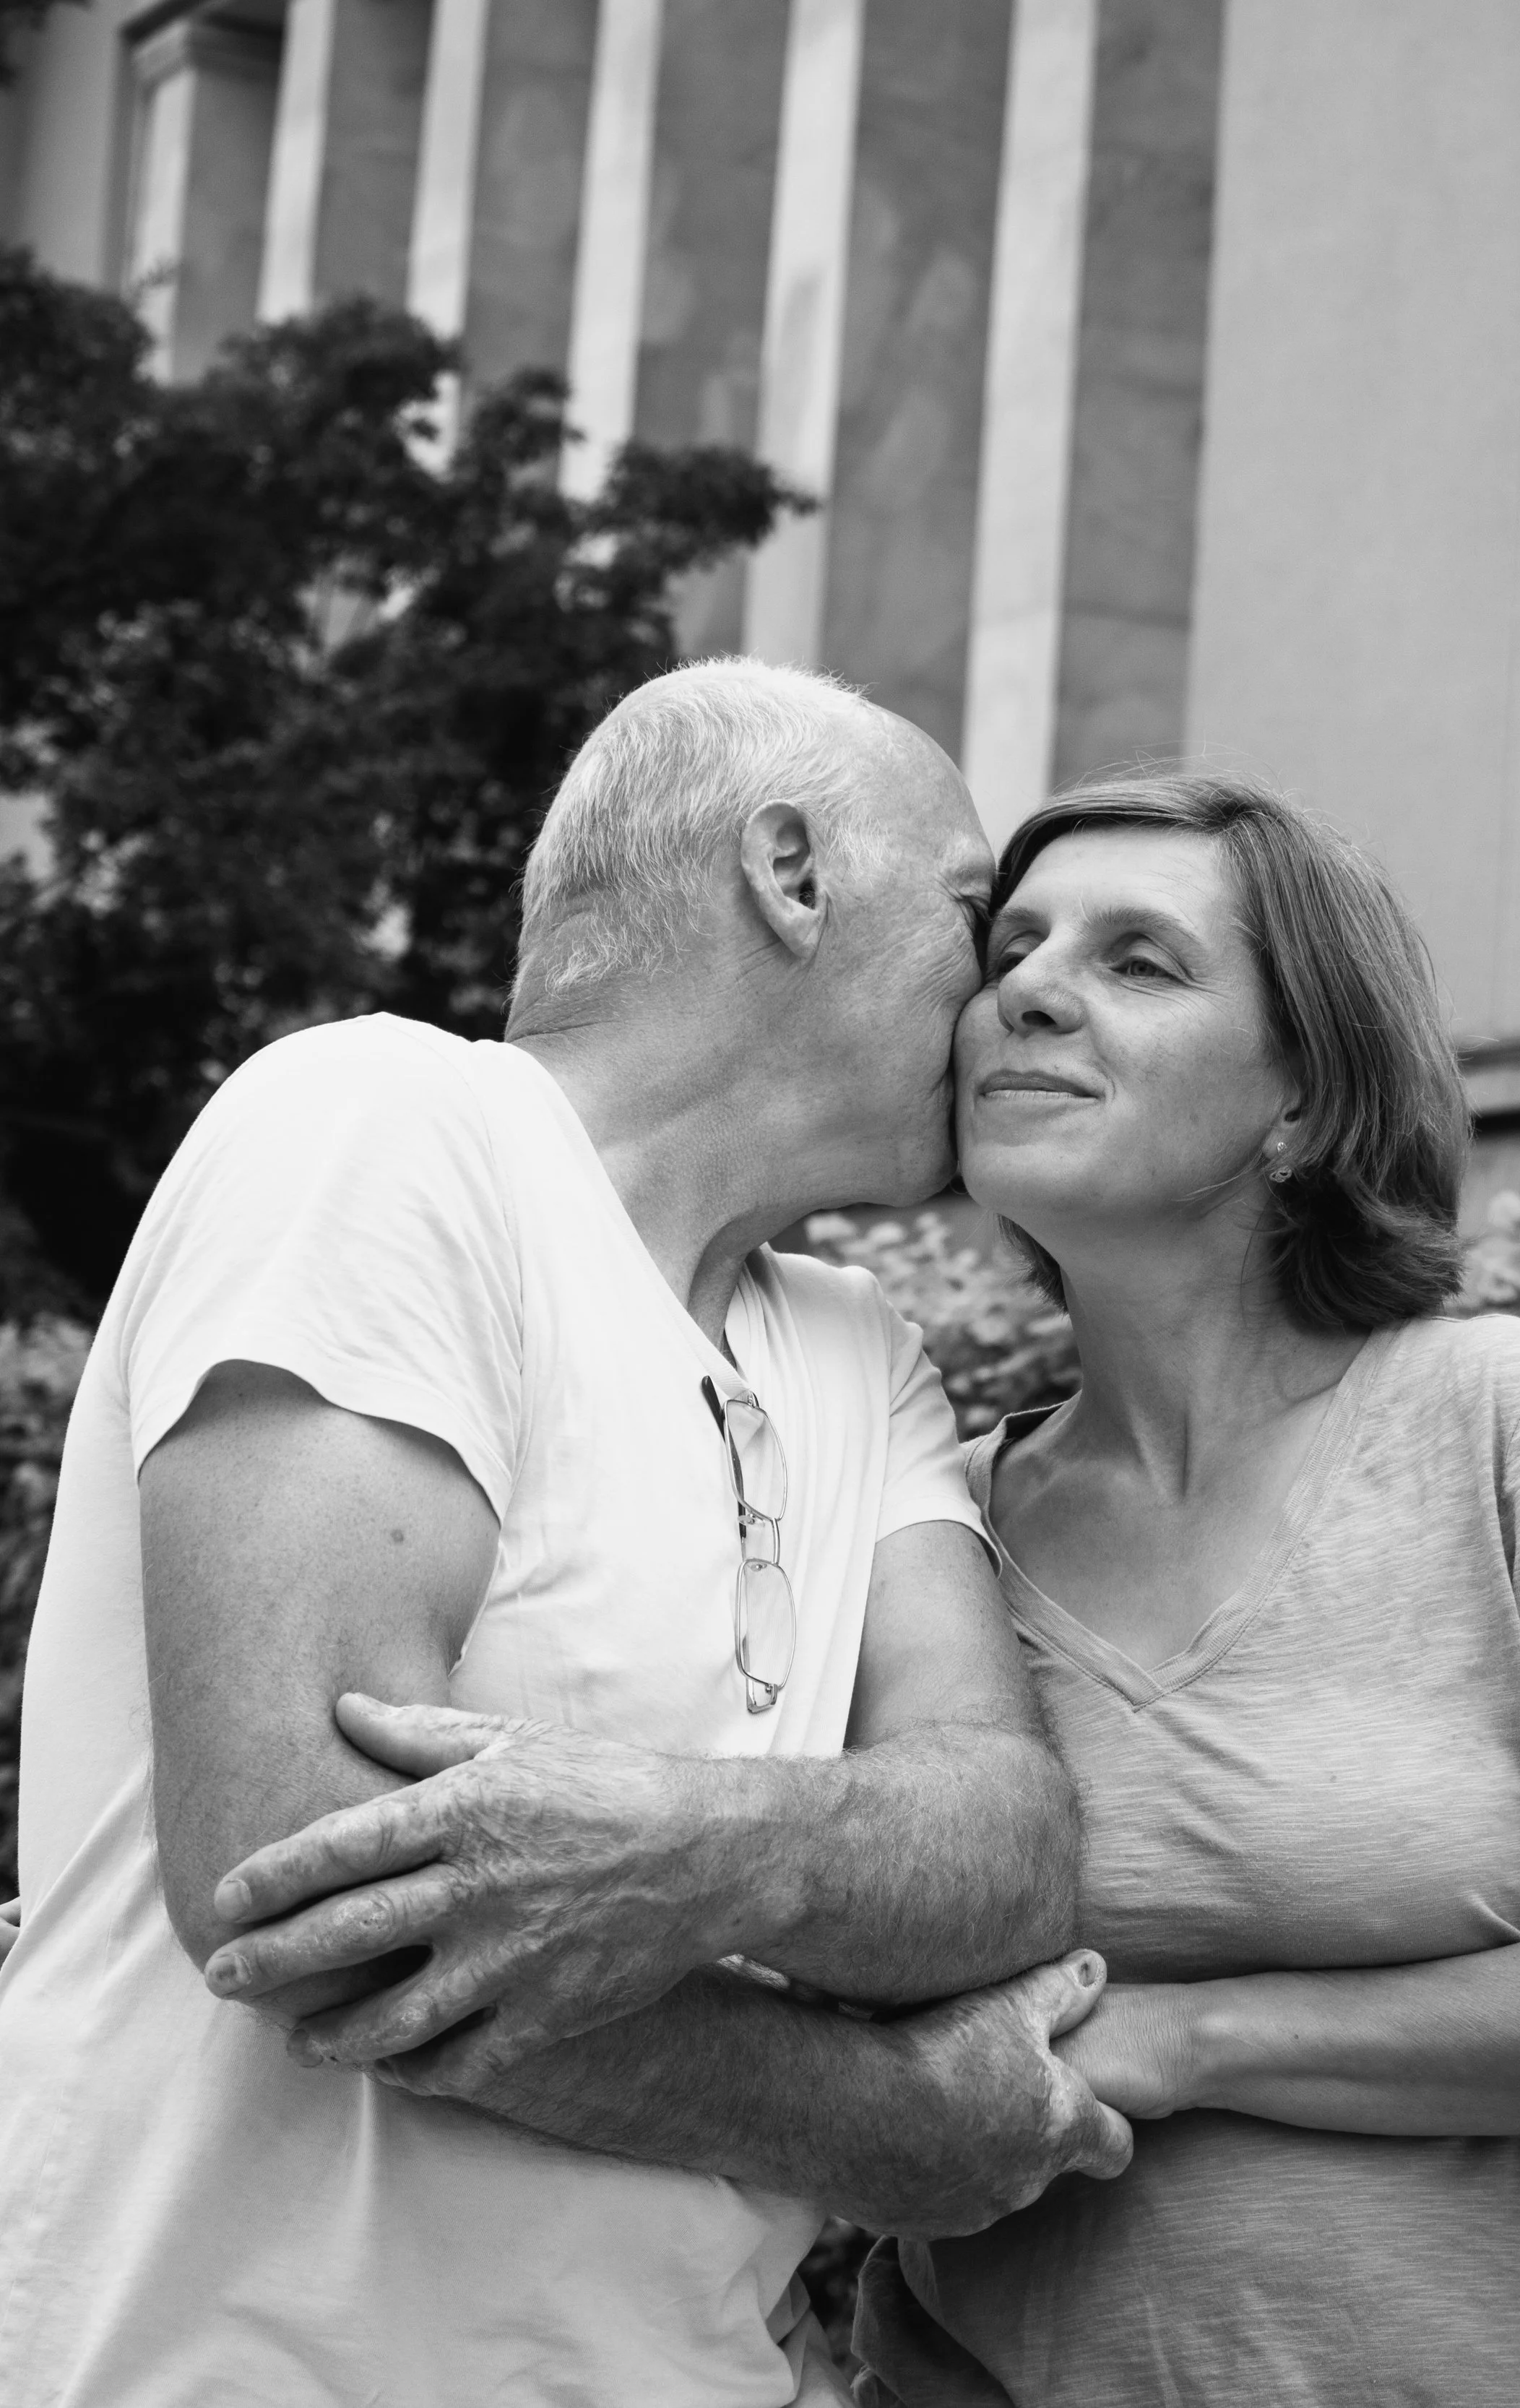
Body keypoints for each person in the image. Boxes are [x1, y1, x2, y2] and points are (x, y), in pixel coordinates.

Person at [0, 660, 1131, 2408]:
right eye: (979, 913)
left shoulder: (857, 1346)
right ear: (791, 869)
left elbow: (1006, 1840)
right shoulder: (384, 1126)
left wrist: (694, 1850)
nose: (1004, 998)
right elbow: (313, 1892)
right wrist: (887, 2119)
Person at [847, 768, 1520, 2407]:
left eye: (1138, 960)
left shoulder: (1510, 1414)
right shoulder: (925, 1511)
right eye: (1011, 945)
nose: (1028, 988)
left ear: (1297, 1096)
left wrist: (1198, 2039)